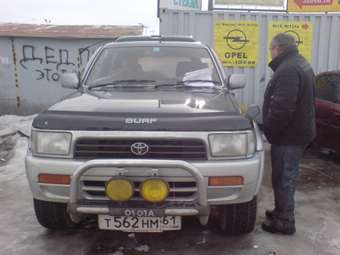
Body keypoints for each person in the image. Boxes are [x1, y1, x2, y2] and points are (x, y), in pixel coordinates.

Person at [262, 33, 316, 235]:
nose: (271, 52)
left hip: (289, 136)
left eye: (271, 49)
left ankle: (284, 222)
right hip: (297, 133)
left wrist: (269, 130)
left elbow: (282, 108)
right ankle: (280, 211)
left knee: (285, 177)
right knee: (284, 176)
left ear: (278, 49)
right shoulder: (300, 63)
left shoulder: (288, 70)